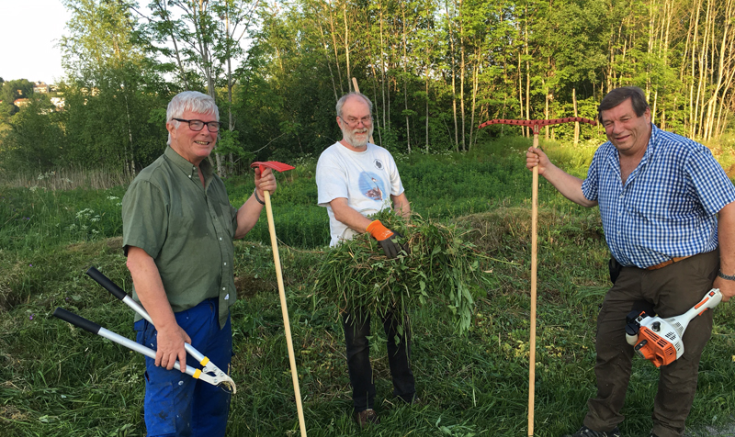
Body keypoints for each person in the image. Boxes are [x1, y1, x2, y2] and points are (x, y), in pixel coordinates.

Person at [526, 86, 735, 437]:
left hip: (687, 269)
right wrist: (547, 168)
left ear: (645, 115)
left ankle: (666, 431)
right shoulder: (604, 156)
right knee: (610, 343)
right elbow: (586, 195)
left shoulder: (687, 154)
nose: (617, 128)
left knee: (676, 356)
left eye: (625, 118)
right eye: (608, 122)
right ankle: (601, 426)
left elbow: (728, 209)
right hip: (630, 271)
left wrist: (728, 274)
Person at [122, 91, 276, 437]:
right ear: (171, 127)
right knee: (172, 417)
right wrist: (167, 329)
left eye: (212, 125)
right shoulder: (152, 183)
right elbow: (139, 260)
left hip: (216, 316)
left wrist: (257, 196)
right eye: (195, 123)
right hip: (175, 319)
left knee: (212, 407)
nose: (205, 131)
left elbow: (234, 228)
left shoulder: (211, 179)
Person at [316, 92, 416, 428]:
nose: (360, 126)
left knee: (398, 328)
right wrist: (377, 229)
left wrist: (406, 228)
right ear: (339, 122)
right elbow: (340, 208)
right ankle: (365, 405)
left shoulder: (382, 155)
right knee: (357, 338)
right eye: (353, 119)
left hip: (389, 252)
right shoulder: (331, 159)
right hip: (351, 258)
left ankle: (407, 392)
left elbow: (399, 198)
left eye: (365, 119)